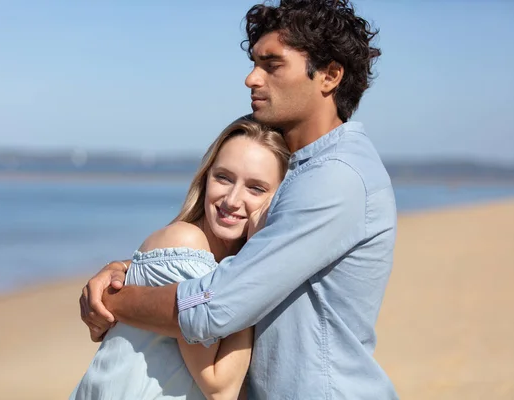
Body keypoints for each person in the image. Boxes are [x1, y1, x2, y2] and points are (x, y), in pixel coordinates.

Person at [80, 0, 399, 398]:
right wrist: (136, 266)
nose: (251, 78)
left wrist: (114, 300)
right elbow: (243, 257)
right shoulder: (303, 174)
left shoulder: (335, 178)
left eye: (272, 64)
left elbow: (216, 305)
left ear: (330, 75)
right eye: (254, 63)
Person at [71, 117, 290, 399]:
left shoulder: (218, 261)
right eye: (223, 177)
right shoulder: (187, 242)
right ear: (206, 178)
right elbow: (220, 387)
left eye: (256, 188)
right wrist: (254, 258)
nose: (232, 200)